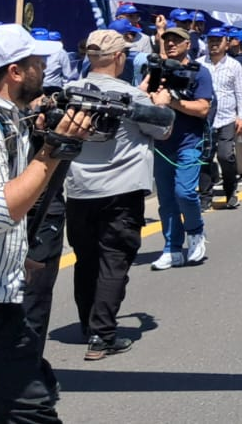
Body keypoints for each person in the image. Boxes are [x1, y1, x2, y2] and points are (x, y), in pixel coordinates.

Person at [0, 24, 93, 421]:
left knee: (32, 411)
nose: (45, 67)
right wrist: (53, 151)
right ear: (15, 72)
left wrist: (16, 256)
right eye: (36, 61)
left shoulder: (7, 120)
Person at [63, 29, 174, 361]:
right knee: (115, 259)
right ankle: (102, 334)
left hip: (79, 190)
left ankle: (88, 324)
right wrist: (160, 104)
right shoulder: (133, 99)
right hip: (121, 190)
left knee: (86, 260)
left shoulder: (70, 91)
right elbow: (163, 130)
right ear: (118, 57)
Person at [148, 26, 215, 270]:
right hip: (162, 143)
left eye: (177, 40)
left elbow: (203, 108)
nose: (171, 44)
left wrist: (173, 102)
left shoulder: (200, 73)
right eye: (167, 40)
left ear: (189, 44)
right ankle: (172, 249)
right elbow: (145, 96)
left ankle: (196, 232)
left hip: (190, 141)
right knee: (166, 200)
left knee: (184, 193)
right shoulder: (156, 70)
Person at [199, 27, 242, 210]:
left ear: (226, 44)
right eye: (211, 40)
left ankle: (230, 191)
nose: (213, 44)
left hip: (227, 118)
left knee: (225, 156)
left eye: (218, 40)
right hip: (205, 119)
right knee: (204, 158)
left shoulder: (234, 66)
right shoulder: (199, 64)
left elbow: (241, 93)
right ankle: (205, 197)